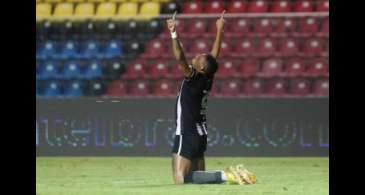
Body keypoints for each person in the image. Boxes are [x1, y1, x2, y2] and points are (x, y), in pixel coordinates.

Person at [167, 11, 256, 185]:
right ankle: (227, 176)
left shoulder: (194, 79)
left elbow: (180, 58)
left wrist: (173, 33)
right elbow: (214, 58)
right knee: (198, 177)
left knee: (180, 179)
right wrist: (220, 31)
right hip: (201, 133)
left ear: (200, 67)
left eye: (200, 57)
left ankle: (228, 175)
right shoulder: (208, 77)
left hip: (188, 131)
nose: (198, 54)